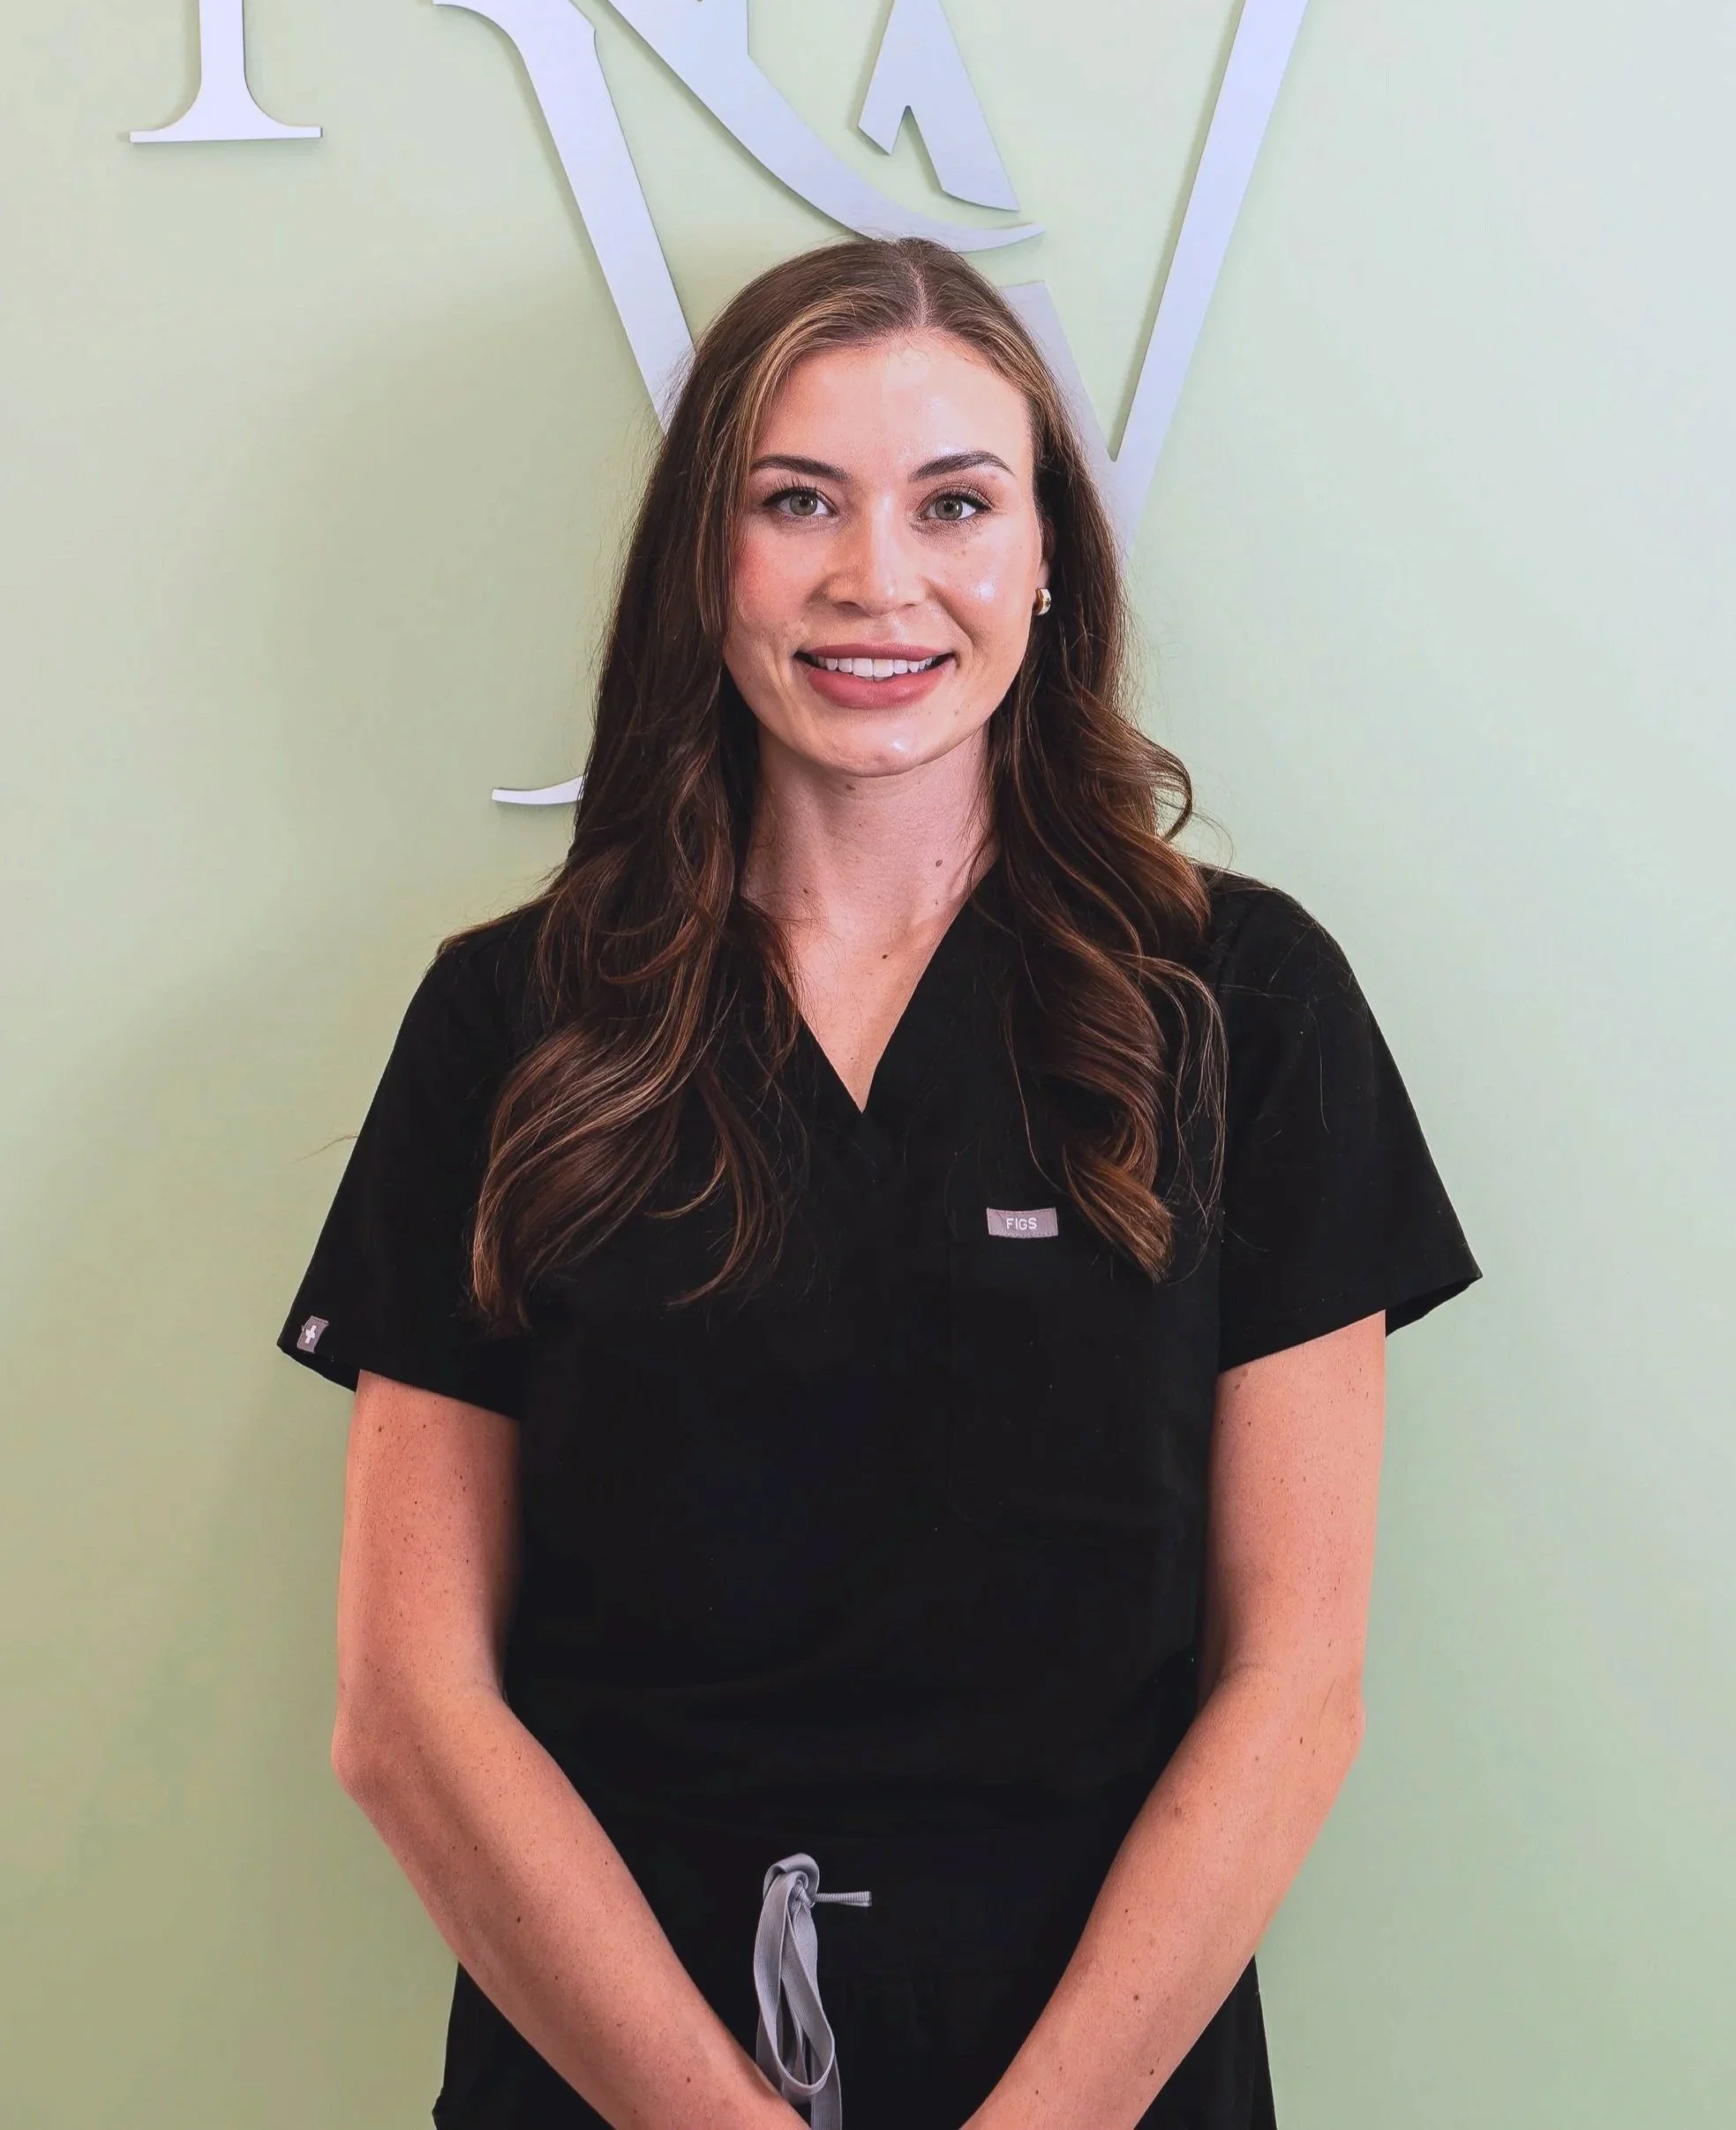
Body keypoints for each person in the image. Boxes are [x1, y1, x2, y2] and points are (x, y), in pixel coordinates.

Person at [279, 236, 1478, 2130]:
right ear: (707, 557)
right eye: (794, 501)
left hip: (1102, 2056)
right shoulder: (506, 1018)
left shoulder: (1248, 1004)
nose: (875, 579)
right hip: (610, 2059)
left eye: (952, 503)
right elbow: (406, 1714)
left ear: (1044, 554)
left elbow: (1290, 1685)